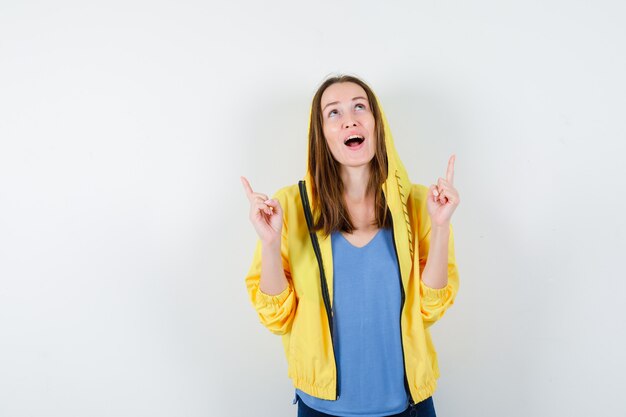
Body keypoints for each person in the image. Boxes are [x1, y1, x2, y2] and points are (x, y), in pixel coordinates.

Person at [241, 74, 460, 417]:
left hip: (408, 407)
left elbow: (430, 308)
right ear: (322, 134)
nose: (350, 119)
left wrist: (441, 226)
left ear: (377, 122)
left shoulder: (419, 204)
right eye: (334, 113)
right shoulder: (291, 206)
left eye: (360, 107)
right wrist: (270, 244)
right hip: (321, 409)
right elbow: (276, 318)